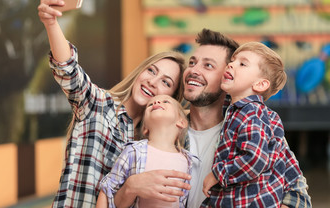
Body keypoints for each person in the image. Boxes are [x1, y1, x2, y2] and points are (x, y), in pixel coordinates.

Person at [114, 29, 311, 208]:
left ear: (226, 76)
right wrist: (130, 188)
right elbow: (111, 196)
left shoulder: (256, 125)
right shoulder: (159, 125)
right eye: (192, 63)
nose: (193, 70)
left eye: (208, 65)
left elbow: (298, 193)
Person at [37, 0, 191, 207]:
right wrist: (51, 24)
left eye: (166, 82)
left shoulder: (154, 145)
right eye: (151, 71)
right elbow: (68, 70)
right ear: (140, 72)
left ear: (172, 99)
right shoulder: (98, 104)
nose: (153, 82)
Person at [202, 41, 302, 207]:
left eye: (242, 64)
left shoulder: (251, 112)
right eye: (232, 60)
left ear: (260, 84)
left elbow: (255, 158)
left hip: (248, 201)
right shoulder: (243, 112)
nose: (231, 65)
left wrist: (218, 174)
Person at [96, 94, 195, 208]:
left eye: (166, 102)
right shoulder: (133, 151)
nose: (156, 103)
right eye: (151, 104)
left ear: (182, 122)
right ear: (145, 128)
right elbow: (107, 188)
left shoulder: (188, 161)